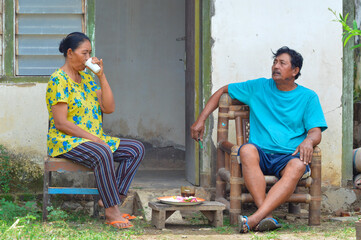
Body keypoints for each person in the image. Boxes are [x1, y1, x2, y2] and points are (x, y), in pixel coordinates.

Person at [191, 46, 327, 233]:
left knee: (298, 165)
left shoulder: (308, 97)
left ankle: (255, 218)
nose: (275, 66)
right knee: (246, 149)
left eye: (282, 63)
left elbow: (315, 132)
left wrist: (309, 141)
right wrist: (201, 120)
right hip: (260, 154)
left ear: (295, 71)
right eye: (274, 62)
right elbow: (223, 90)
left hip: (289, 156)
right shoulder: (258, 87)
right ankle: (266, 216)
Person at [46, 32, 144, 229]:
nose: (89, 58)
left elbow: (109, 108)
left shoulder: (88, 79)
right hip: (66, 140)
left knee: (136, 149)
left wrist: (101, 76)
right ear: (70, 53)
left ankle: (112, 198)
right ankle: (111, 211)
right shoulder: (58, 80)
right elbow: (61, 123)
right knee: (102, 151)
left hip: (93, 139)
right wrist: (94, 140)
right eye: (84, 53)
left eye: (90, 53)